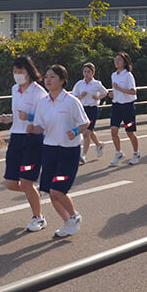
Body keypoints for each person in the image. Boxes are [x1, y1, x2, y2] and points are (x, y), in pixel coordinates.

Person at [27, 65, 90, 237]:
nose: (48, 80)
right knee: (51, 193)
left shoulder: (71, 101)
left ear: (62, 80)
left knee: (58, 190)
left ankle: (74, 216)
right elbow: (41, 127)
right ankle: (68, 221)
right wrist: (33, 129)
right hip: (49, 151)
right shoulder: (43, 103)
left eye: (53, 77)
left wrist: (75, 132)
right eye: (46, 76)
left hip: (68, 153)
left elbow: (85, 123)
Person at [0, 56, 48, 231]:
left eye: (21, 71)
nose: (18, 75)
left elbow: (45, 118)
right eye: (15, 72)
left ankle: (38, 218)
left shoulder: (39, 92)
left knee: (26, 182)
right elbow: (17, 113)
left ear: (29, 72)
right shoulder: (15, 89)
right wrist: (9, 119)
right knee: (11, 183)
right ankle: (33, 192)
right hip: (16, 138)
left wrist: (30, 117)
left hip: (32, 139)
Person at [72, 62, 109, 162]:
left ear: (93, 73)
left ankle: (83, 155)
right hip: (82, 109)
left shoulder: (97, 84)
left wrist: (98, 97)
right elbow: (73, 96)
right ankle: (99, 144)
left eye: (88, 72)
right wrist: (80, 97)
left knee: (86, 133)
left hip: (92, 109)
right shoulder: (79, 84)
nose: (86, 74)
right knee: (89, 131)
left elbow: (105, 92)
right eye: (85, 71)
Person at [109, 52, 141, 165]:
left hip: (127, 106)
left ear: (124, 62)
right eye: (115, 59)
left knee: (130, 132)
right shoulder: (114, 75)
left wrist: (120, 89)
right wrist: (113, 94)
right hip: (116, 106)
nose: (116, 61)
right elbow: (116, 90)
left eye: (119, 60)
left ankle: (136, 153)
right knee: (113, 131)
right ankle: (118, 153)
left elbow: (133, 91)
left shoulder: (128, 75)